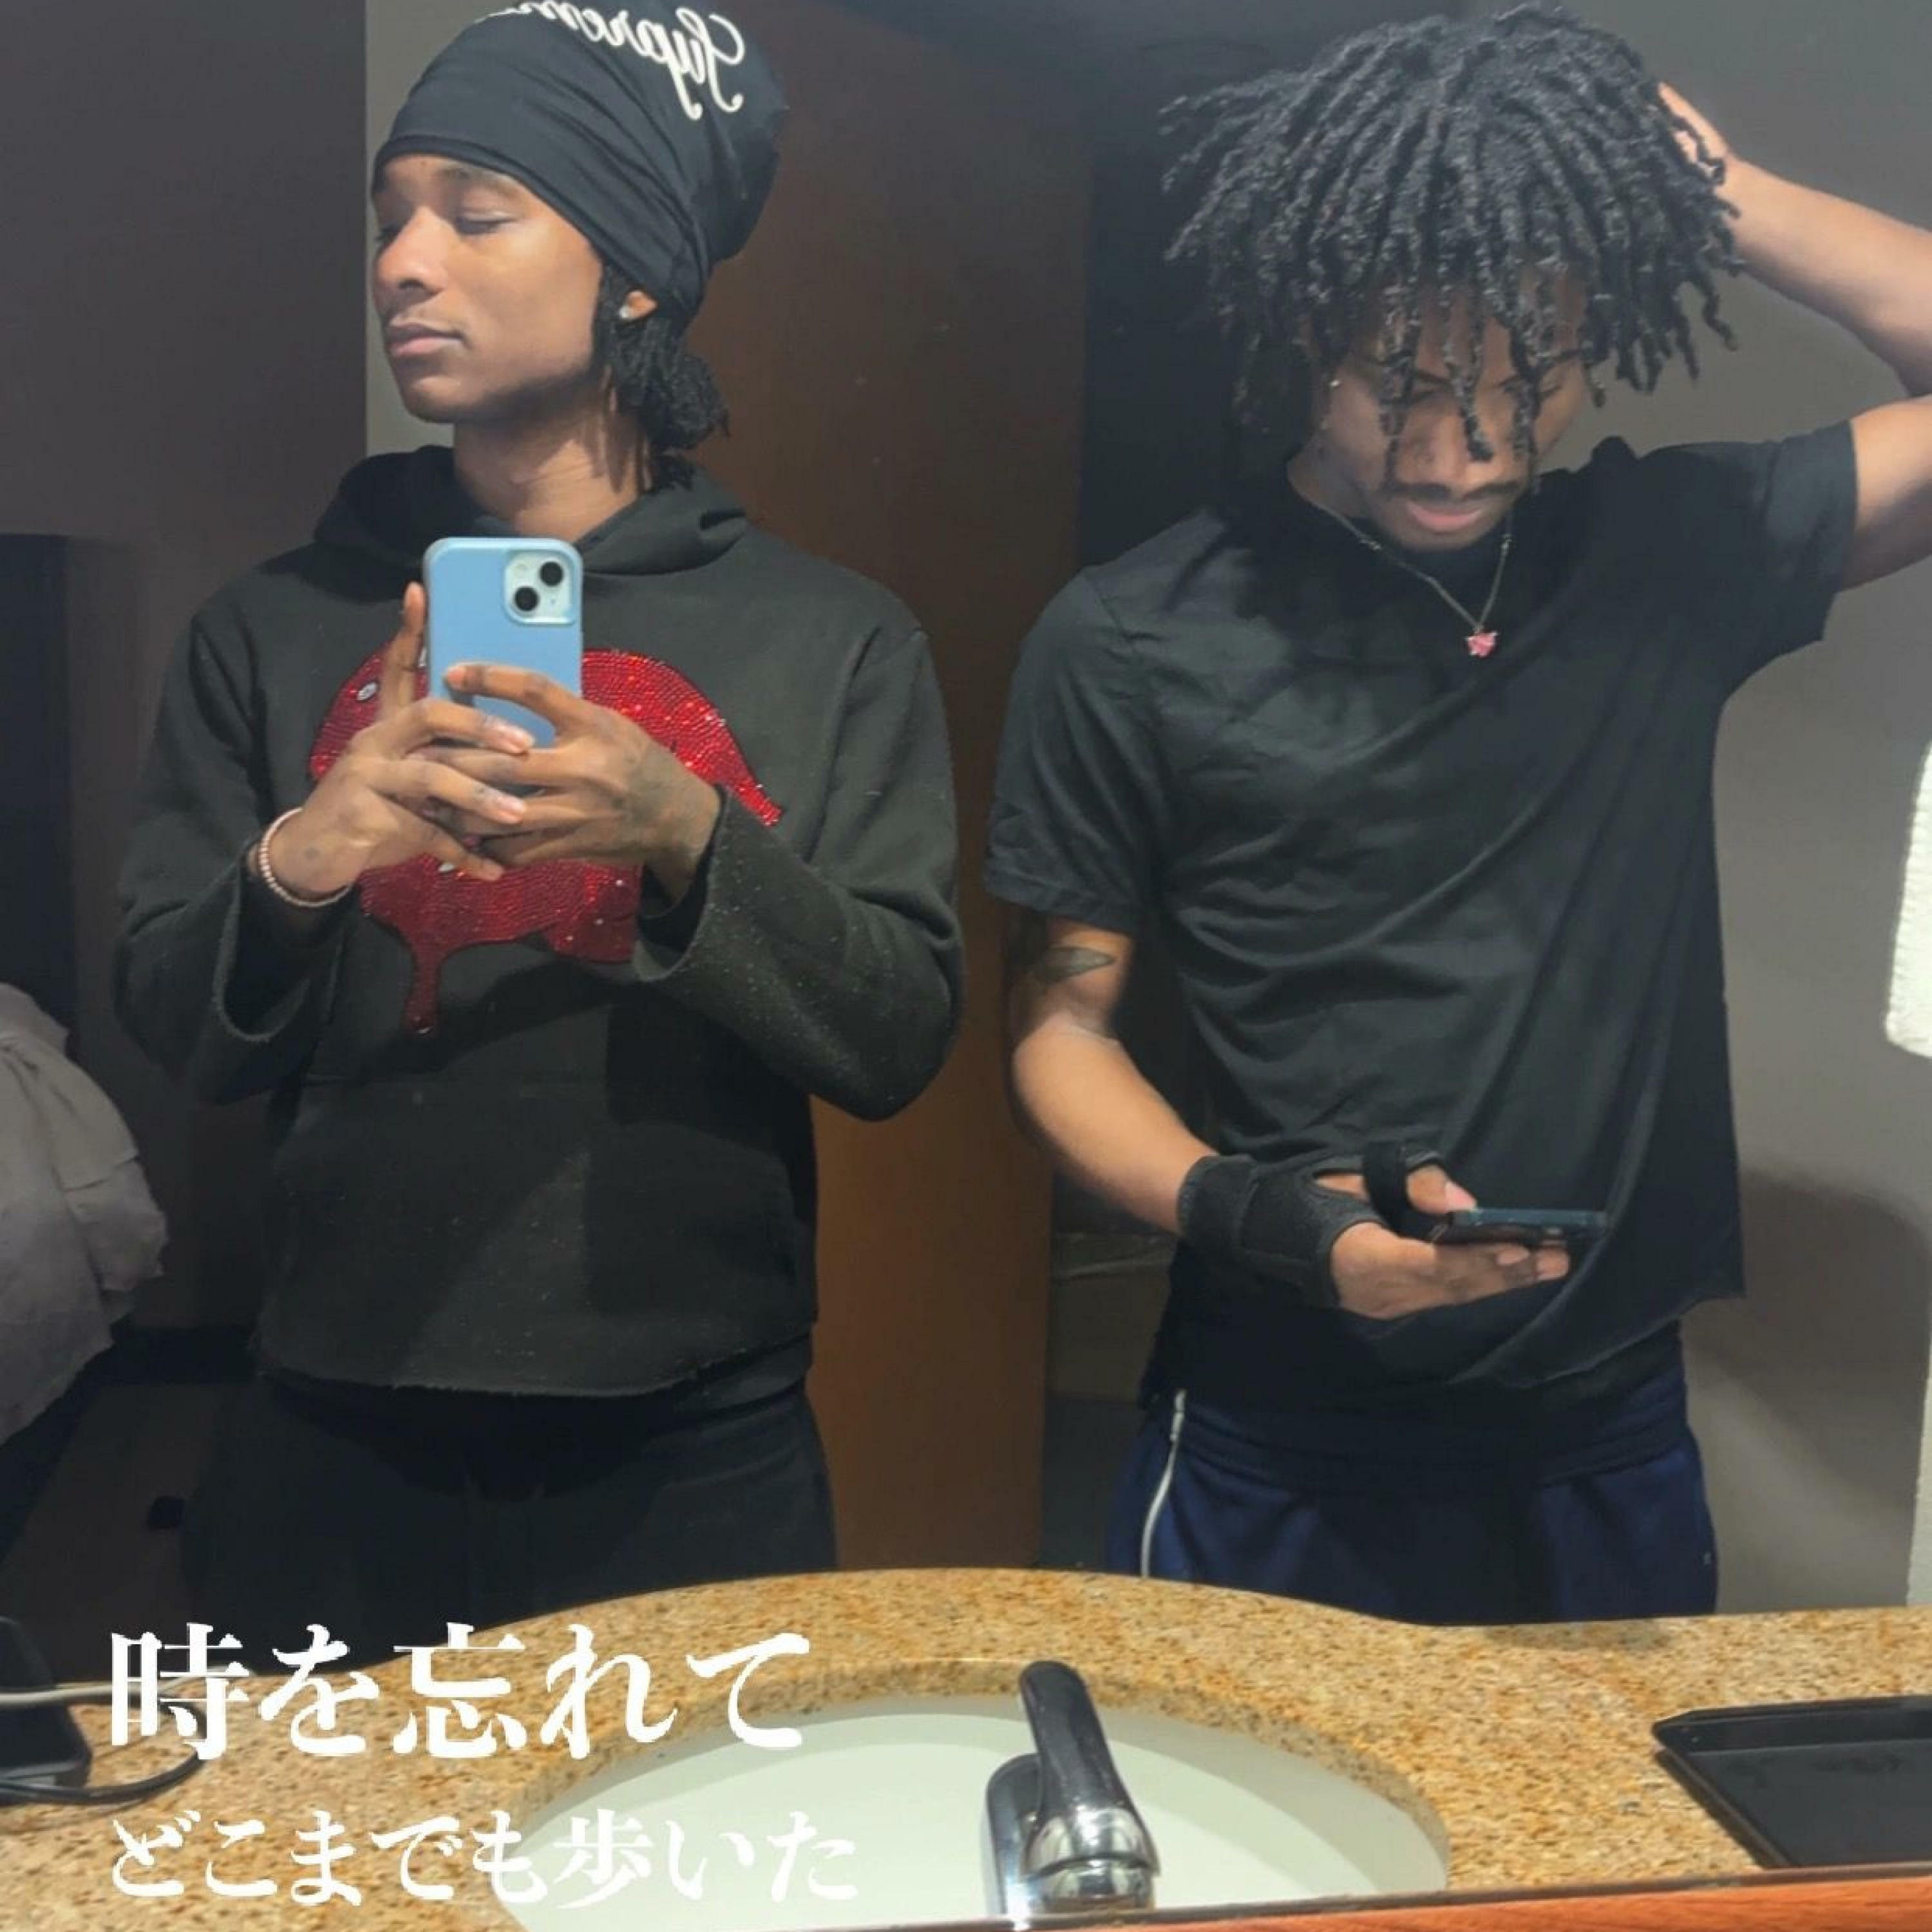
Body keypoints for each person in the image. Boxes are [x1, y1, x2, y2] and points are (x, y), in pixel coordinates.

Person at [987, 3, 1932, 1624]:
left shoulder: (1664, 561)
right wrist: (1274, 1226)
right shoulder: (1134, 635)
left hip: (1604, 1432)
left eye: (1527, 378)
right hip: (1277, 1429)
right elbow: (1058, 1036)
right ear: (1307, 334)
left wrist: (1706, 190)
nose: (1459, 448)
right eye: (1401, 383)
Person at [115, 2, 961, 1666]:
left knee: (694, 1834)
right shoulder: (270, 626)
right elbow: (174, 1031)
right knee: (333, 1841)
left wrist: (685, 831)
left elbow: (892, 1039)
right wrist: (307, 859)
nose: (403, 263)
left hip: (691, 1443)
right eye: (390, 217)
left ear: (634, 272)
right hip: (331, 1429)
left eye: (477, 211)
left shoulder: (832, 639)